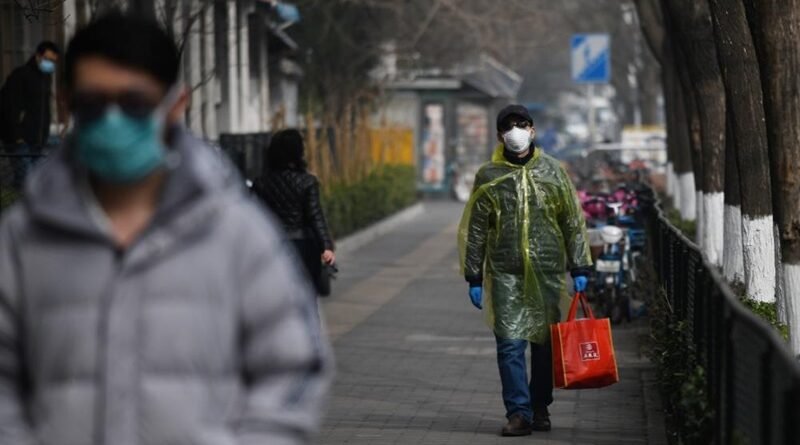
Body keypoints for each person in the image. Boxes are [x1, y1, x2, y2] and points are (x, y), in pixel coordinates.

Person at [0, 13, 330, 445]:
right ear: (66, 103)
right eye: (93, 103)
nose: (113, 121)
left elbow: (294, 368)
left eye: (135, 103)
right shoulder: (25, 240)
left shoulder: (234, 233)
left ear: (176, 104)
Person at [458, 105, 592, 436]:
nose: (515, 131)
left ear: (532, 129)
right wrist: (474, 274)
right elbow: (475, 228)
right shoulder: (488, 176)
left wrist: (579, 265)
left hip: (547, 272)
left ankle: (539, 406)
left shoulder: (553, 171)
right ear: (499, 135)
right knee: (509, 344)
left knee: (543, 343)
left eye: (521, 124)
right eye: (508, 126)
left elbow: (571, 221)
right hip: (504, 273)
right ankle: (518, 412)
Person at [254, 129, 336, 294]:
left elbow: (252, 218)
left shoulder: (260, 183)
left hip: (271, 247)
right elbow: (315, 215)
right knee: (304, 296)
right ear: (299, 152)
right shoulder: (307, 182)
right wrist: (326, 246)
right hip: (302, 247)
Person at [0, 41, 59, 185]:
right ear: (38, 56)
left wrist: (44, 135)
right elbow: (10, 107)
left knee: (35, 184)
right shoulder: (20, 75)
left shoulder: (45, 78)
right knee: (26, 183)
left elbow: (43, 109)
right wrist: (17, 136)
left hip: (37, 142)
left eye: (53, 61)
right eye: (48, 59)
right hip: (21, 141)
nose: (50, 63)